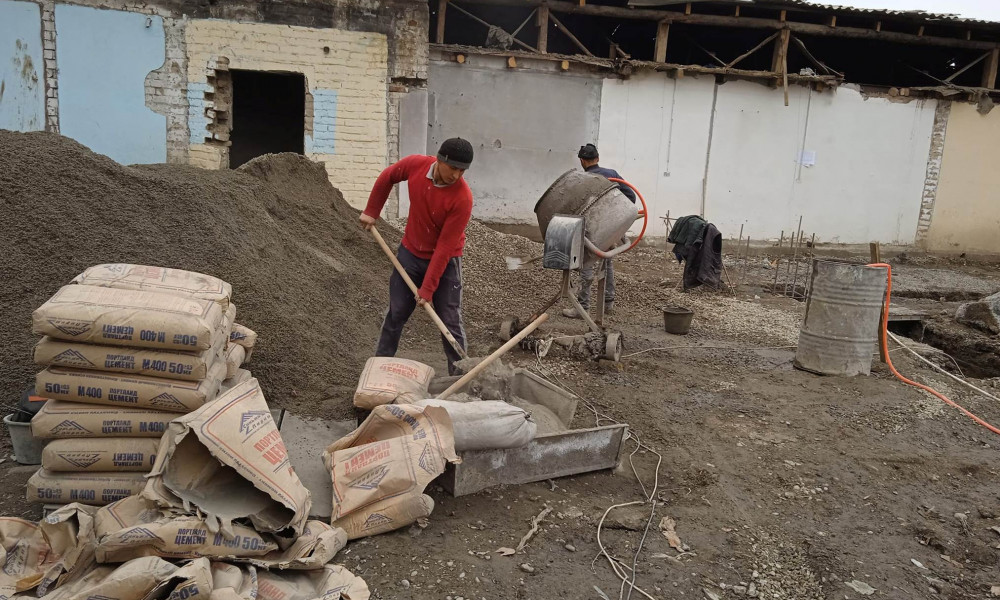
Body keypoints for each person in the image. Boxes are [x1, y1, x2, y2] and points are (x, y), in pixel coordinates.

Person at [360, 138, 474, 375]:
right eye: (453, 167)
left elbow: (444, 246)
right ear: (440, 160)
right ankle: (379, 367)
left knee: (449, 321)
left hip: (446, 262)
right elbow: (388, 176)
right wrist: (372, 211)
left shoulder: (462, 198)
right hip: (410, 253)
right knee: (397, 312)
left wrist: (428, 289)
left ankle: (460, 377)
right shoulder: (415, 165)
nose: (457, 175)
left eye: (462, 170)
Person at [563, 143, 636, 319]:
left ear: (582, 161)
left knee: (587, 264)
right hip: (611, 228)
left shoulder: (582, 179)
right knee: (607, 261)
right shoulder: (612, 174)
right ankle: (608, 303)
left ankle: (582, 307)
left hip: (592, 231)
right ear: (597, 158)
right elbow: (631, 197)